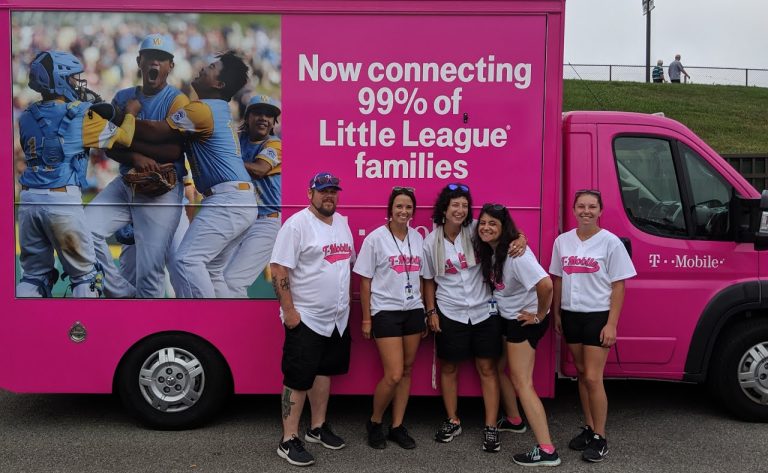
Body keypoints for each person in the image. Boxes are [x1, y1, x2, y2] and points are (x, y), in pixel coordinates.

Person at [132, 51, 256, 298]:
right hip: (236, 199)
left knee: (186, 261)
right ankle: (229, 327)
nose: (203, 68)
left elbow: (157, 132)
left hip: (227, 200)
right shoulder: (215, 108)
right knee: (211, 271)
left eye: (211, 67)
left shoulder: (202, 109)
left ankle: (203, 325)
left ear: (219, 84)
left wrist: (120, 118)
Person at [16, 50, 139, 298]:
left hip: (28, 203)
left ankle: (23, 331)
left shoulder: (26, 115)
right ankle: (84, 334)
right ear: (60, 80)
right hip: (62, 202)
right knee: (86, 277)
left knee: (34, 277)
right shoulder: (83, 113)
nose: (77, 82)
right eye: (73, 77)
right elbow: (125, 139)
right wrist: (131, 113)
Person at [85, 33, 190, 298]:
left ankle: (150, 324)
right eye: (150, 58)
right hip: (126, 181)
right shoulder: (123, 96)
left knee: (151, 272)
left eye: (162, 59)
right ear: (139, 62)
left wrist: (128, 134)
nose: (155, 64)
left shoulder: (177, 101)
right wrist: (135, 157)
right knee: (83, 230)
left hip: (162, 190)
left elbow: (174, 149)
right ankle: (124, 295)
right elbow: (108, 145)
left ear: (170, 66)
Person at [423, 183, 525, 453]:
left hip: (483, 311)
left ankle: (491, 426)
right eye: (454, 204)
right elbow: (429, 281)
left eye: (465, 205)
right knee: (449, 368)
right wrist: (431, 311)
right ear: (444, 209)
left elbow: (508, 232)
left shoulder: (477, 228)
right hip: (450, 311)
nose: (460, 210)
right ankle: (453, 420)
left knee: (488, 369)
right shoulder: (430, 242)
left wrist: (521, 239)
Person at [270, 172, 354, 467]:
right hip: (306, 317)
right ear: (310, 194)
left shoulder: (342, 223)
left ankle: (317, 427)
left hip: (337, 319)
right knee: (297, 378)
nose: (328, 195)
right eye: (323, 191)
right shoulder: (297, 225)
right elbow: (279, 269)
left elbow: (345, 265)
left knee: (323, 371)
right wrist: (290, 312)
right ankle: (288, 439)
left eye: (333, 190)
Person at [549, 189, 637, 463]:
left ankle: (600, 437)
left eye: (592, 207)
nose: (586, 211)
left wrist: (612, 324)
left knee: (592, 378)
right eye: (581, 206)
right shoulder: (562, 241)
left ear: (600, 211)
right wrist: (558, 314)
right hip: (571, 314)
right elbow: (558, 279)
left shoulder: (610, 243)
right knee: (580, 373)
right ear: (573, 210)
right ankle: (588, 428)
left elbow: (619, 285)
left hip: (597, 315)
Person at [474, 204, 560, 467]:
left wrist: (539, 316)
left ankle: (547, 450)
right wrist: (520, 234)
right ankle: (514, 420)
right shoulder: (495, 248)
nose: (487, 228)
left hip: (523, 323)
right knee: (499, 369)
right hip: (507, 318)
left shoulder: (516, 255)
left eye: (493, 224)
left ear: (503, 228)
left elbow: (545, 285)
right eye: (483, 223)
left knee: (523, 383)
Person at [353, 187, 425, 450]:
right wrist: (367, 319)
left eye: (408, 207)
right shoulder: (375, 239)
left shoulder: (418, 238)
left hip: (414, 310)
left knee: (407, 370)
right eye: (399, 207)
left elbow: (424, 277)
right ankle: (374, 421)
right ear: (390, 210)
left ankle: (396, 426)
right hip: (385, 311)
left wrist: (427, 312)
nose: (403, 212)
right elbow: (365, 281)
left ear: (413, 212)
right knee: (393, 374)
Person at [212, 95, 282, 297]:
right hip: (238, 218)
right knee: (215, 275)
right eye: (258, 113)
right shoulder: (236, 139)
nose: (264, 119)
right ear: (247, 117)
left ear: (273, 123)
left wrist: (225, 160)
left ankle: (235, 327)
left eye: (269, 115)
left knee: (233, 282)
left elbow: (259, 169)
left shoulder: (275, 145)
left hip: (266, 221)